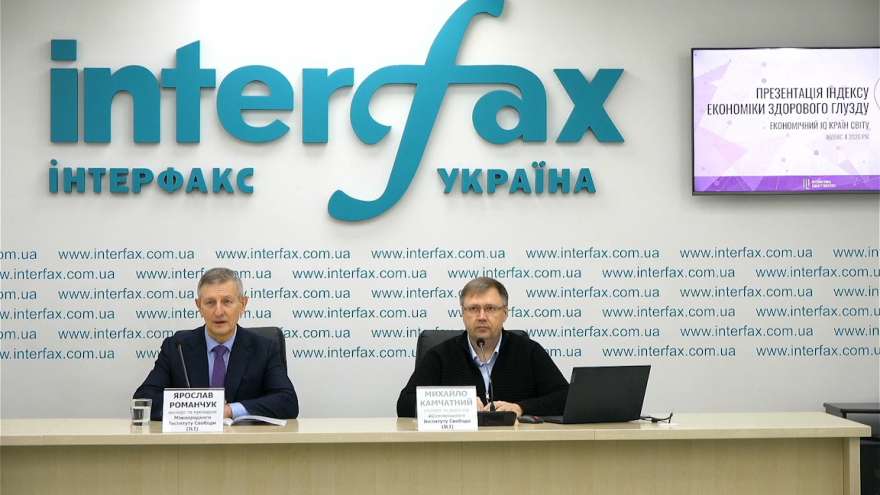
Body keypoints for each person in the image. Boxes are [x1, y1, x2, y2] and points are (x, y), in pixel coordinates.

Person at [134, 267, 298, 420]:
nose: (218, 312)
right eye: (210, 302)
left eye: (227, 301)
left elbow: (287, 401)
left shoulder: (264, 348)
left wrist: (229, 410)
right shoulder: (177, 347)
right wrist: (202, 409)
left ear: (243, 304)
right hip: (191, 439)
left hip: (245, 439)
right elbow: (144, 399)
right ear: (199, 306)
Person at [396, 277, 568, 417]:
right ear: (463, 313)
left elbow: (565, 397)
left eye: (490, 308)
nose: (481, 316)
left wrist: (521, 408)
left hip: (514, 444)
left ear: (505, 313)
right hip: (458, 445)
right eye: (473, 309)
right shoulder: (440, 355)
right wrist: (458, 405)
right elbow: (405, 404)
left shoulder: (529, 351)